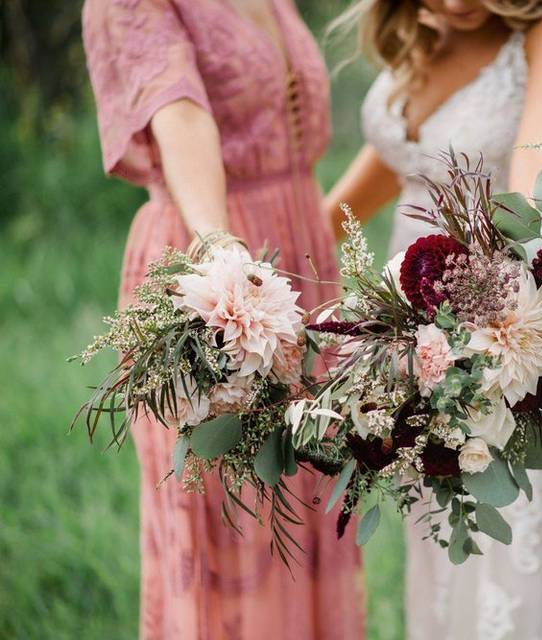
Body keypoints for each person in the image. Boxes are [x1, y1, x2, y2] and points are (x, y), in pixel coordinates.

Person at [327, 1, 542, 638]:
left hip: (512, 353)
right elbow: (407, 156)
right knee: (448, 579)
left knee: (515, 587)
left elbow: (537, 194)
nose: (456, 4)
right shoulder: (425, 27)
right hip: (424, 359)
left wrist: (464, 333)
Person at [81, 1, 364, 638]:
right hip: (216, 274)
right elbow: (177, 110)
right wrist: (219, 249)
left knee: (313, 492)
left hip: (299, 262)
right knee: (234, 513)